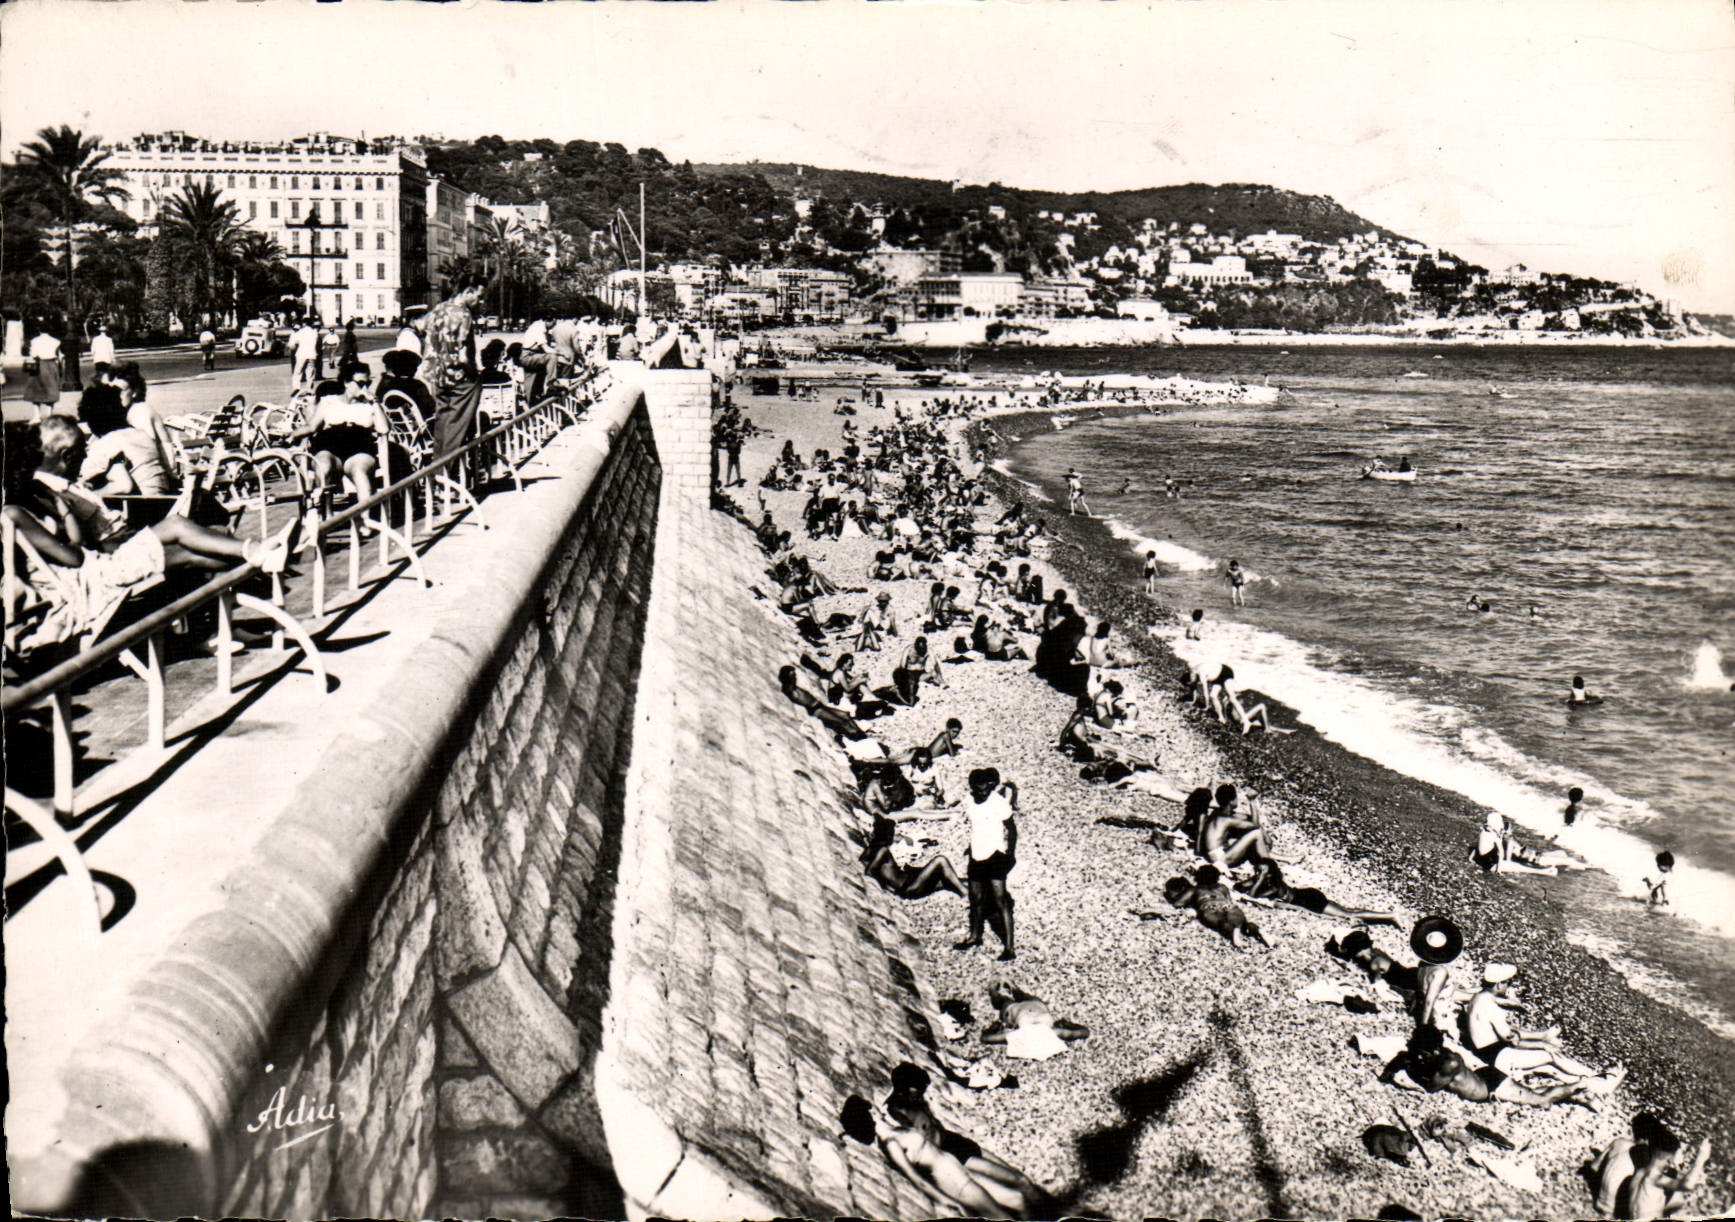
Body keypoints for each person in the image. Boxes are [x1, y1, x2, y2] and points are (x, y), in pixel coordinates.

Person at [4, 422, 296, 653]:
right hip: (91, 583)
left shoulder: (31, 499)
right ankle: (258, 557)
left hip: (95, 571)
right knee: (177, 527)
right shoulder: (15, 511)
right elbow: (75, 556)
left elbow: (75, 547)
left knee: (192, 553)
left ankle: (246, 580)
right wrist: (63, 511)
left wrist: (60, 511)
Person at [839, 1095, 1017, 1219]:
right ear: (871, 1114)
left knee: (1016, 1200)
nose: (877, 1108)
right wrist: (948, 1202)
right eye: (872, 1107)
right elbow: (916, 1178)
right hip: (956, 1183)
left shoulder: (894, 1131)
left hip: (960, 1172)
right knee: (1003, 1217)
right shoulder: (890, 1143)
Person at [1465, 963, 1618, 1085]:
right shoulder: (1492, 1007)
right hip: (1499, 1056)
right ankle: (1597, 1075)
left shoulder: (1477, 998)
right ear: (1498, 985)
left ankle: (1591, 1083)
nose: (1509, 986)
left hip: (1485, 1053)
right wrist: (1541, 1044)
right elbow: (1513, 1041)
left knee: (1549, 1068)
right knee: (1549, 1056)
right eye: (1507, 983)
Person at [292, 360, 391, 507]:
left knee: (359, 472)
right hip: (330, 448)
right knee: (323, 465)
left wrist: (375, 402)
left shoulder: (369, 405)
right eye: (360, 383)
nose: (364, 388)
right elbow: (311, 427)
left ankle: (364, 519)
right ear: (346, 382)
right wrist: (293, 435)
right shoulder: (329, 401)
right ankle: (326, 514)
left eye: (367, 383)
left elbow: (384, 429)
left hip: (359, 450)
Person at [956, 767, 1018, 961]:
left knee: (1000, 900)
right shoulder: (969, 801)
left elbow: (1012, 830)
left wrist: (1010, 853)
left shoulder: (998, 803)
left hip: (996, 855)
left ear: (990, 787)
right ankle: (975, 936)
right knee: (975, 897)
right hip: (977, 854)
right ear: (973, 788)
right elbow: (977, 827)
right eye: (979, 789)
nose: (982, 792)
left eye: (985, 789)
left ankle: (1009, 947)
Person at [421, 281, 486, 459]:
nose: (480, 302)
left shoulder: (438, 309)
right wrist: (475, 374)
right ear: (468, 291)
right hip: (459, 378)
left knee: (442, 422)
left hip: (438, 375)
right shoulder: (464, 314)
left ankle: (435, 469)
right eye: (479, 297)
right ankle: (446, 471)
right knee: (456, 426)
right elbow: (463, 355)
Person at [1153, 864, 1273, 951]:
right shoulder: (1222, 887)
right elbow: (1228, 899)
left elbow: (1178, 904)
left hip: (1208, 906)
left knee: (1221, 922)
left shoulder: (1196, 889)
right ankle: (1257, 930)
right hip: (1227, 905)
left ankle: (1232, 932)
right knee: (1244, 923)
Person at [1244, 860, 1399, 926]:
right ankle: (1387, 916)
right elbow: (1242, 886)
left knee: (1347, 915)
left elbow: (1252, 896)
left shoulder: (1274, 886)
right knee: (1348, 910)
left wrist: (1259, 879)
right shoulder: (1271, 882)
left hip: (1307, 900)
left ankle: (1388, 916)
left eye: (1261, 872)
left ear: (1269, 874)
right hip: (1307, 893)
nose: (1257, 874)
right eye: (1257, 871)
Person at [980, 981, 1089, 1057]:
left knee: (1005, 1001)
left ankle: (999, 991)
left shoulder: (1023, 1034)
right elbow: (1084, 1032)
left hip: (1026, 1008)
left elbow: (986, 1038)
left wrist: (993, 1028)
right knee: (1012, 1000)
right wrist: (1067, 1024)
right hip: (1030, 1007)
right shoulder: (1049, 1032)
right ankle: (1011, 989)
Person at [24, 323, 64, 417]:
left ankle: (37, 415)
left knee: (36, 390)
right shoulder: (56, 341)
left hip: (39, 365)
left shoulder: (34, 341)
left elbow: (33, 354)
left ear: (39, 330)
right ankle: (49, 414)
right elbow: (60, 356)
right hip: (52, 365)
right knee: (51, 389)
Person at [288, 319, 320, 391]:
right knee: (310, 373)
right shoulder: (314, 332)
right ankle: (309, 389)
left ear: (304, 324)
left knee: (298, 372)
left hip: (301, 354)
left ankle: (296, 388)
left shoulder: (300, 332)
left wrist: (293, 348)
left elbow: (292, 344)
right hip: (312, 354)